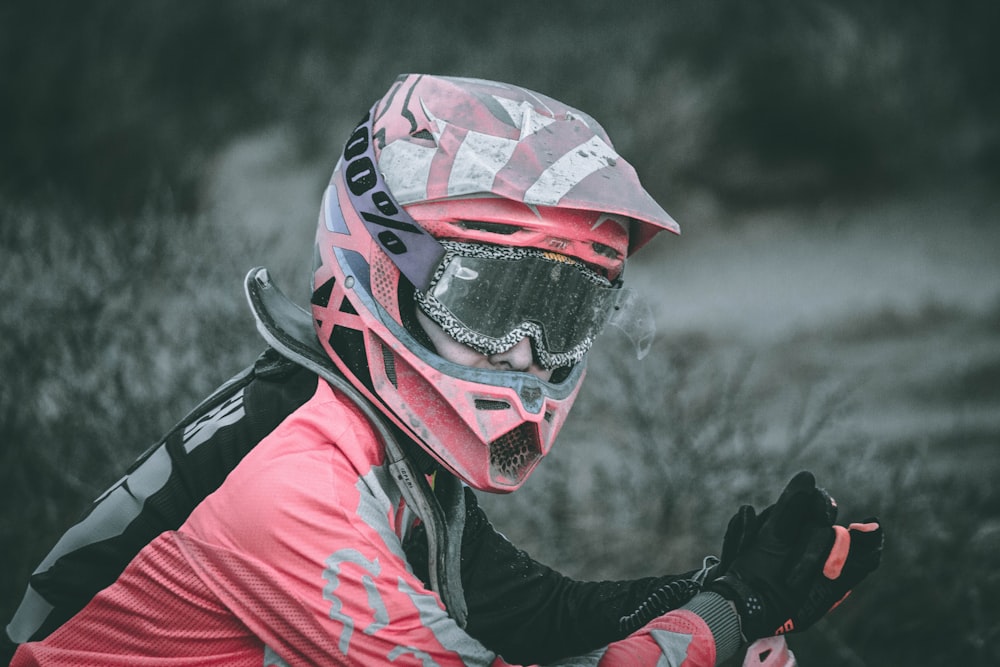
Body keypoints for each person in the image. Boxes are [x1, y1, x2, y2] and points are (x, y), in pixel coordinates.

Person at [5, 74, 883, 666]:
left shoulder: (361, 427)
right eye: (494, 305)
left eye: (566, 313)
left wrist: (721, 589)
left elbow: (530, 614)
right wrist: (727, 620)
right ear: (385, 266)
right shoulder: (296, 484)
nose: (528, 354)